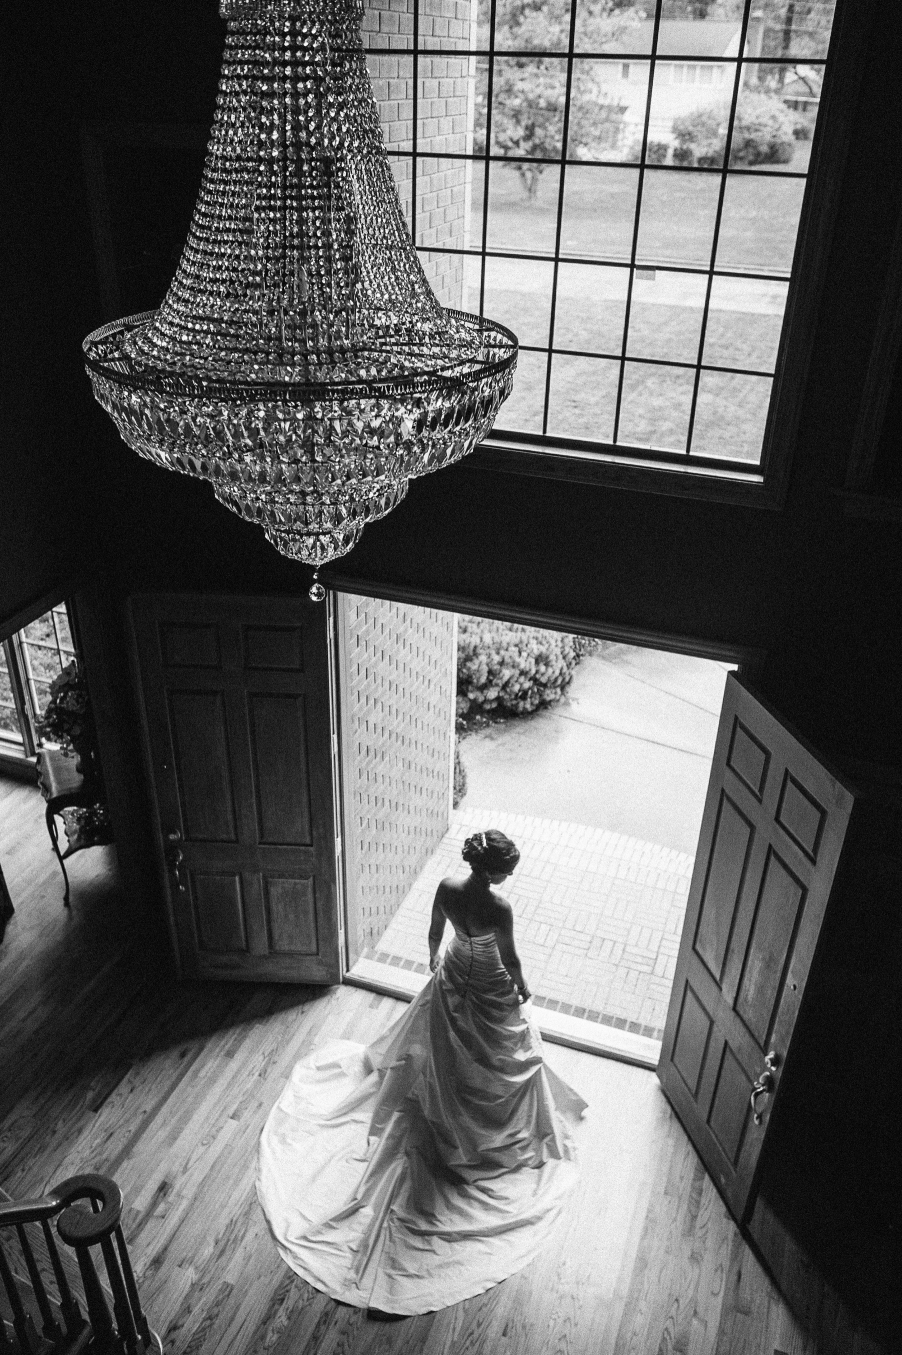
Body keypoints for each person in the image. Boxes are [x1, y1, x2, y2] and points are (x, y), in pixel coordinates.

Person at [257, 828, 587, 1316]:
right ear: (493, 870)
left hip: (454, 971)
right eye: (507, 870)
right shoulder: (499, 908)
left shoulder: (448, 888)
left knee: (441, 1043)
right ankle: (478, 1122)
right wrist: (522, 987)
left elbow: (435, 930)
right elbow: (510, 956)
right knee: (501, 1052)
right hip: (488, 982)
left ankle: (441, 1094)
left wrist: (434, 955)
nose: (509, 877)